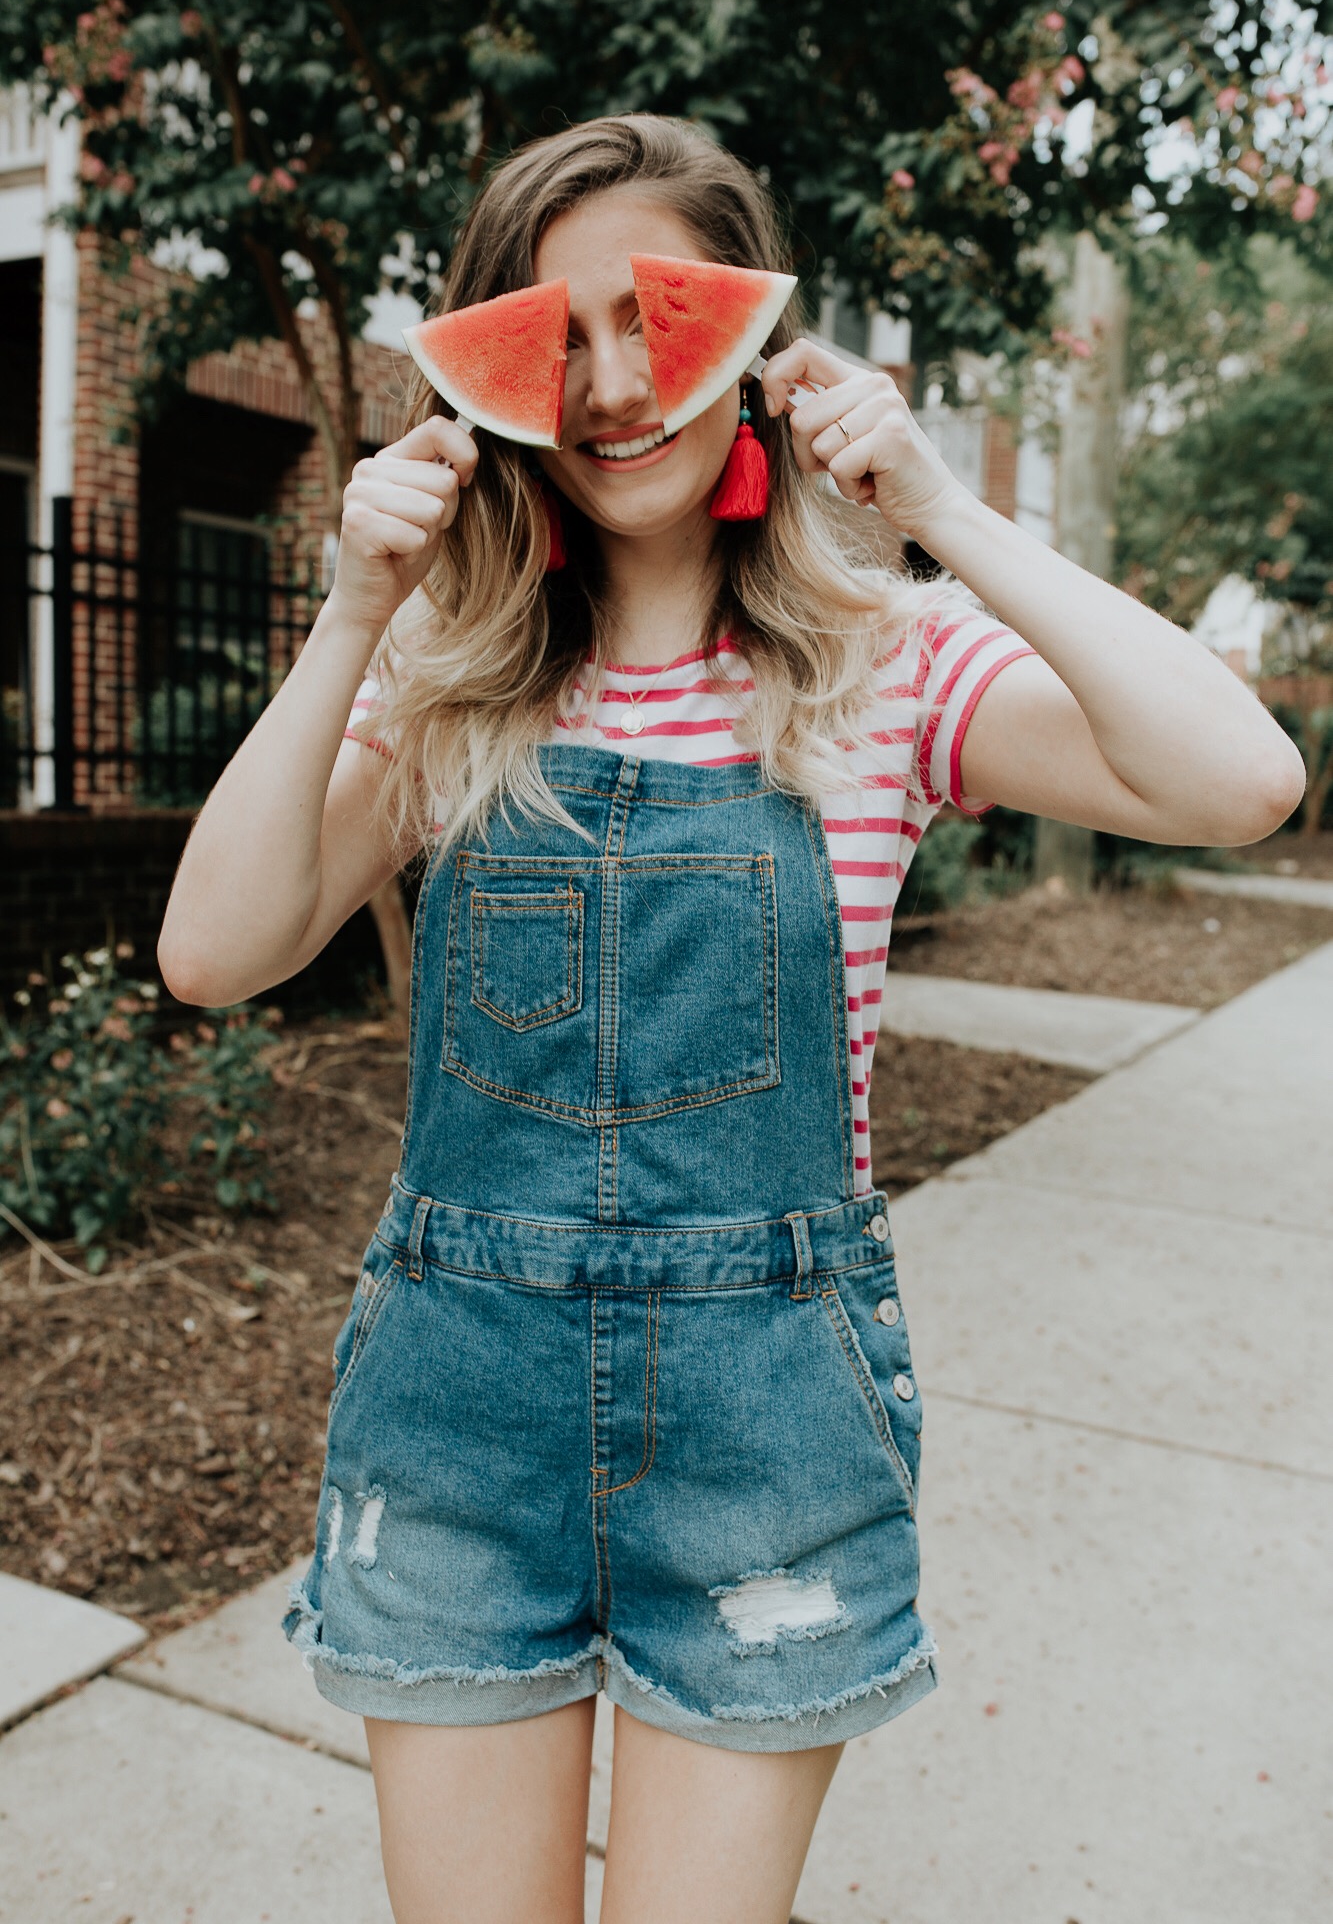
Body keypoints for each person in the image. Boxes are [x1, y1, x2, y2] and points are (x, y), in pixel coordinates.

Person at [157, 113, 1305, 1924]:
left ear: (756, 346)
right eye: (558, 338)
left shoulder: (887, 662)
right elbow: (214, 955)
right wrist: (350, 617)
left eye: (655, 319)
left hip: (765, 1422)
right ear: (495, 383)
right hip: (458, 1412)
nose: (617, 384)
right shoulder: (445, 687)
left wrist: (933, 508)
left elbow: (1242, 779)